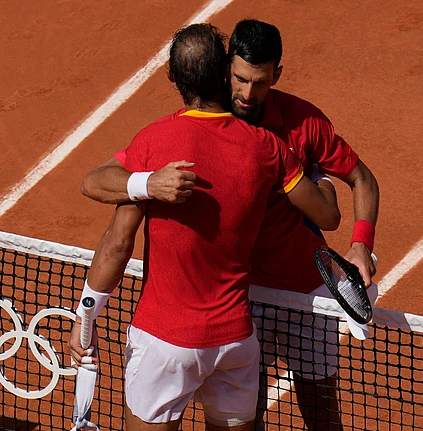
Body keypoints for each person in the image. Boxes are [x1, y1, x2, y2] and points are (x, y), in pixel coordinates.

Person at [80, 19, 380, 431]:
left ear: (276, 74)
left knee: (321, 412)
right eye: (239, 79)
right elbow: (98, 181)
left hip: (302, 294)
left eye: (260, 82)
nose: (247, 93)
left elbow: (355, 187)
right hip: (244, 301)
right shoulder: (209, 140)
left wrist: (360, 243)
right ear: (225, 71)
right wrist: (149, 182)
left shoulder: (300, 125)